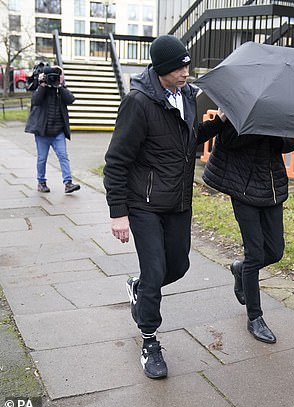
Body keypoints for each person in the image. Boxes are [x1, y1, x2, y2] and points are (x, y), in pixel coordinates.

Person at [103, 35, 222, 379]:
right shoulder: (138, 103)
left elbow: (185, 140)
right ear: (162, 69)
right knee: (155, 272)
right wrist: (118, 212)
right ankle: (150, 340)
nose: (187, 72)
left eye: (187, 65)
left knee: (179, 266)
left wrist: (216, 125)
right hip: (145, 204)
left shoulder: (186, 95)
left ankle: (138, 287)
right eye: (181, 67)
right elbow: (117, 161)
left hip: (178, 202)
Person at [202, 116, 294, 344]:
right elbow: (227, 141)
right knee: (255, 254)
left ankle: (241, 269)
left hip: (271, 185)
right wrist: (259, 126)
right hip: (242, 185)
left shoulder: (282, 109)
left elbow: (291, 143)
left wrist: (277, 130)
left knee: (275, 251)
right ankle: (255, 317)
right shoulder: (241, 107)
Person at [25, 65, 81, 194]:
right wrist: (42, 85)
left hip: (58, 132)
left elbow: (71, 99)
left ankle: (68, 183)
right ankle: (41, 182)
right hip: (42, 132)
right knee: (42, 158)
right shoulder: (41, 87)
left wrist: (59, 86)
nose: (55, 78)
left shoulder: (60, 89)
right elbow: (36, 101)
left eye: (59, 75)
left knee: (63, 157)